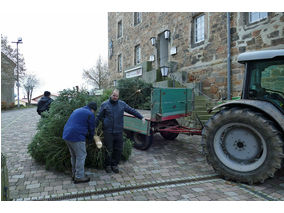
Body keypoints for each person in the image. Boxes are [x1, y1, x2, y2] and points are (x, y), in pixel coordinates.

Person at [95, 89, 145, 174]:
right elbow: (99, 116)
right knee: (109, 149)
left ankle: (114, 165)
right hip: (108, 131)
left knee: (118, 149)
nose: (115, 97)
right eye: (114, 95)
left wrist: (141, 117)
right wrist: (93, 127)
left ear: (118, 96)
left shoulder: (122, 104)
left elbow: (131, 110)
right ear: (111, 95)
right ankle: (107, 165)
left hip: (118, 131)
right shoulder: (105, 104)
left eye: (116, 96)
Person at [62, 102, 97, 184]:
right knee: (81, 156)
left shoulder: (77, 110)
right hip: (76, 136)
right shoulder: (90, 114)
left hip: (67, 135)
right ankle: (79, 177)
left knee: (74, 156)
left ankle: (74, 174)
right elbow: (92, 128)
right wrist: (91, 138)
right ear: (93, 109)